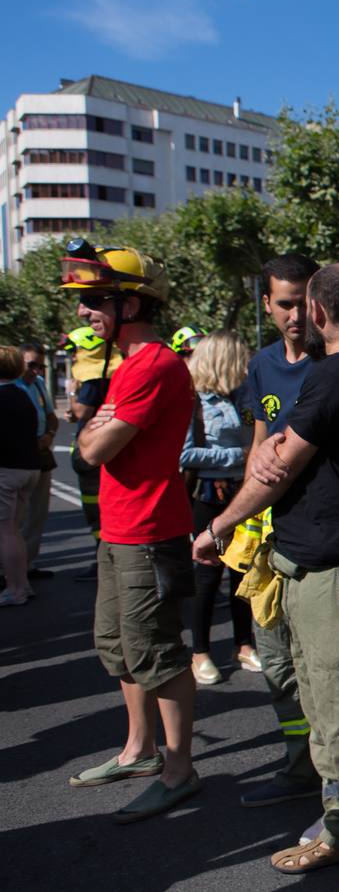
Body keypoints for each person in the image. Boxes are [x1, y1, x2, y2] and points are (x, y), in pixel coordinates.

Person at [192, 262, 339, 891]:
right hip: (330, 568)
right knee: (333, 720)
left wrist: (215, 529)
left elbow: (274, 470)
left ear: (318, 313)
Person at [63, 239, 201, 822]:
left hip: (150, 530)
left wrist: (94, 430)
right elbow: (89, 442)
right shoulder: (126, 366)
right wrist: (93, 431)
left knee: (157, 652)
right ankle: (139, 751)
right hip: (119, 530)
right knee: (118, 647)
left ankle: (179, 770)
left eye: (94, 299)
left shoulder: (152, 364)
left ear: (132, 304)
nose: (82, 312)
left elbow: (92, 449)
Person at [236, 252, 324, 809]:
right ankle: (300, 763)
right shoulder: (262, 365)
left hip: (321, 539)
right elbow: (260, 440)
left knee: (323, 665)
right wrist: (242, 520)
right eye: (284, 304)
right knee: (274, 659)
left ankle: (335, 773)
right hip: (267, 537)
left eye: (302, 303)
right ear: (267, 305)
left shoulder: (335, 364)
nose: (295, 315)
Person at [179, 330, 259, 685]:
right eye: (239, 357)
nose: (246, 362)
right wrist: (236, 456)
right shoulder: (192, 401)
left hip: (244, 493)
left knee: (243, 572)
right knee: (207, 577)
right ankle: (200, 652)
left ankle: (243, 644)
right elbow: (183, 454)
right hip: (207, 495)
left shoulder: (245, 395)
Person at [64, 327, 122, 583]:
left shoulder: (89, 380)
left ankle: (103, 561)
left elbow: (80, 411)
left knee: (95, 510)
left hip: (91, 451)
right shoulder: (112, 372)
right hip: (104, 444)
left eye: (74, 351)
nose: (73, 357)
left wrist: (71, 390)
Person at [0, 346, 41, 607]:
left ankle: (15, 588)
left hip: (7, 469)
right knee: (14, 529)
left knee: (6, 531)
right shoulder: (24, 394)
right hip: (29, 467)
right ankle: (21, 584)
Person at [16, 343, 57, 579]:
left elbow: (52, 417)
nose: (37, 371)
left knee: (37, 514)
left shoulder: (39, 386)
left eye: (40, 366)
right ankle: (8, 568)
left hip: (40, 456)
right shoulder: (9, 386)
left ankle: (27, 564)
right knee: (13, 518)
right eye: (31, 365)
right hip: (17, 458)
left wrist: (49, 436)